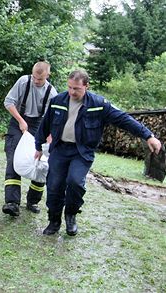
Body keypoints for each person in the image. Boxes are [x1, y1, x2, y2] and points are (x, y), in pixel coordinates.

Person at [35, 69, 162, 236]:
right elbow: (45, 124)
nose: (72, 92)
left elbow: (124, 119)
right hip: (60, 149)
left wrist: (148, 136)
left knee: (75, 182)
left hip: (82, 151)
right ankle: (54, 221)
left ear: (86, 86)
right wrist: (38, 145)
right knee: (54, 185)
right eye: (70, 87)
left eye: (77, 89)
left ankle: (71, 215)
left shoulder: (99, 104)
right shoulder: (58, 101)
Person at [2, 61, 58, 217]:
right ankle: (12, 203)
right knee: (13, 159)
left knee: (41, 164)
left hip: (40, 126)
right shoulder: (23, 81)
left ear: (47, 75)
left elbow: (51, 120)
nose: (36, 81)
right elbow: (8, 102)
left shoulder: (52, 93)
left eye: (39, 79)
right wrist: (20, 120)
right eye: (34, 77)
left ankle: (32, 201)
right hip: (18, 122)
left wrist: (48, 138)